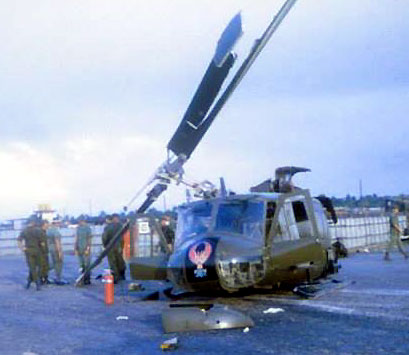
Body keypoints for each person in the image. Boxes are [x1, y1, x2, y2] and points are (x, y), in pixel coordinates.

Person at [17, 218, 43, 290]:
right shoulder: (38, 230)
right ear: (33, 223)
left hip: (28, 250)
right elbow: (42, 242)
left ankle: (32, 281)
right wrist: (43, 250)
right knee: (40, 266)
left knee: (32, 267)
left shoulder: (24, 231)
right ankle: (37, 281)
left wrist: (22, 248)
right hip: (38, 250)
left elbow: (19, 240)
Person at [102, 214, 126, 283]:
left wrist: (105, 246)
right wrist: (122, 246)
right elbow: (122, 237)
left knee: (112, 262)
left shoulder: (107, 227)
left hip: (110, 247)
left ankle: (115, 277)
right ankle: (122, 275)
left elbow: (104, 238)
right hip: (119, 246)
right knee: (120, 260)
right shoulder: (121, 226)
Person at [74, 218, 93, 285]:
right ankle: (82, 278)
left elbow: (89, 239)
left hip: (85, 248)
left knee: (87, 264)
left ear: (83, 221)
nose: (79, 222)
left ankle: (87, 279)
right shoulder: (78, 228)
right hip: (79, 248)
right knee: (81, 264)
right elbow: (76, 238)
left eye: (80, 221)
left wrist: (88, 248)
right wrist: (75, 248)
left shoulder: (88, 228)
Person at [47, 220, 64, 284]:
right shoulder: (56, 231)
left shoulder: (48, 231)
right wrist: (60, 252)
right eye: (58, 223)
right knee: (59, 263)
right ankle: (58, 278)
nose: (59, 224)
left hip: (49, 248)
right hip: (55, 249)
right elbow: (57, 242)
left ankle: (44, 274)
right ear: (56, 223)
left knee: (52, 263)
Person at [39, 220, 51, 284]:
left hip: (43, 251)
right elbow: (42, 243)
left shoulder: (44, 231)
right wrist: (44, 251)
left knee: (45, 266)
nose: (48, 226)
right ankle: (43, 279)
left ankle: (45, 278)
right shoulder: (41, 232)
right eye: (47, 224)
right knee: (43, 266)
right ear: (44, 224)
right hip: (42, 252)